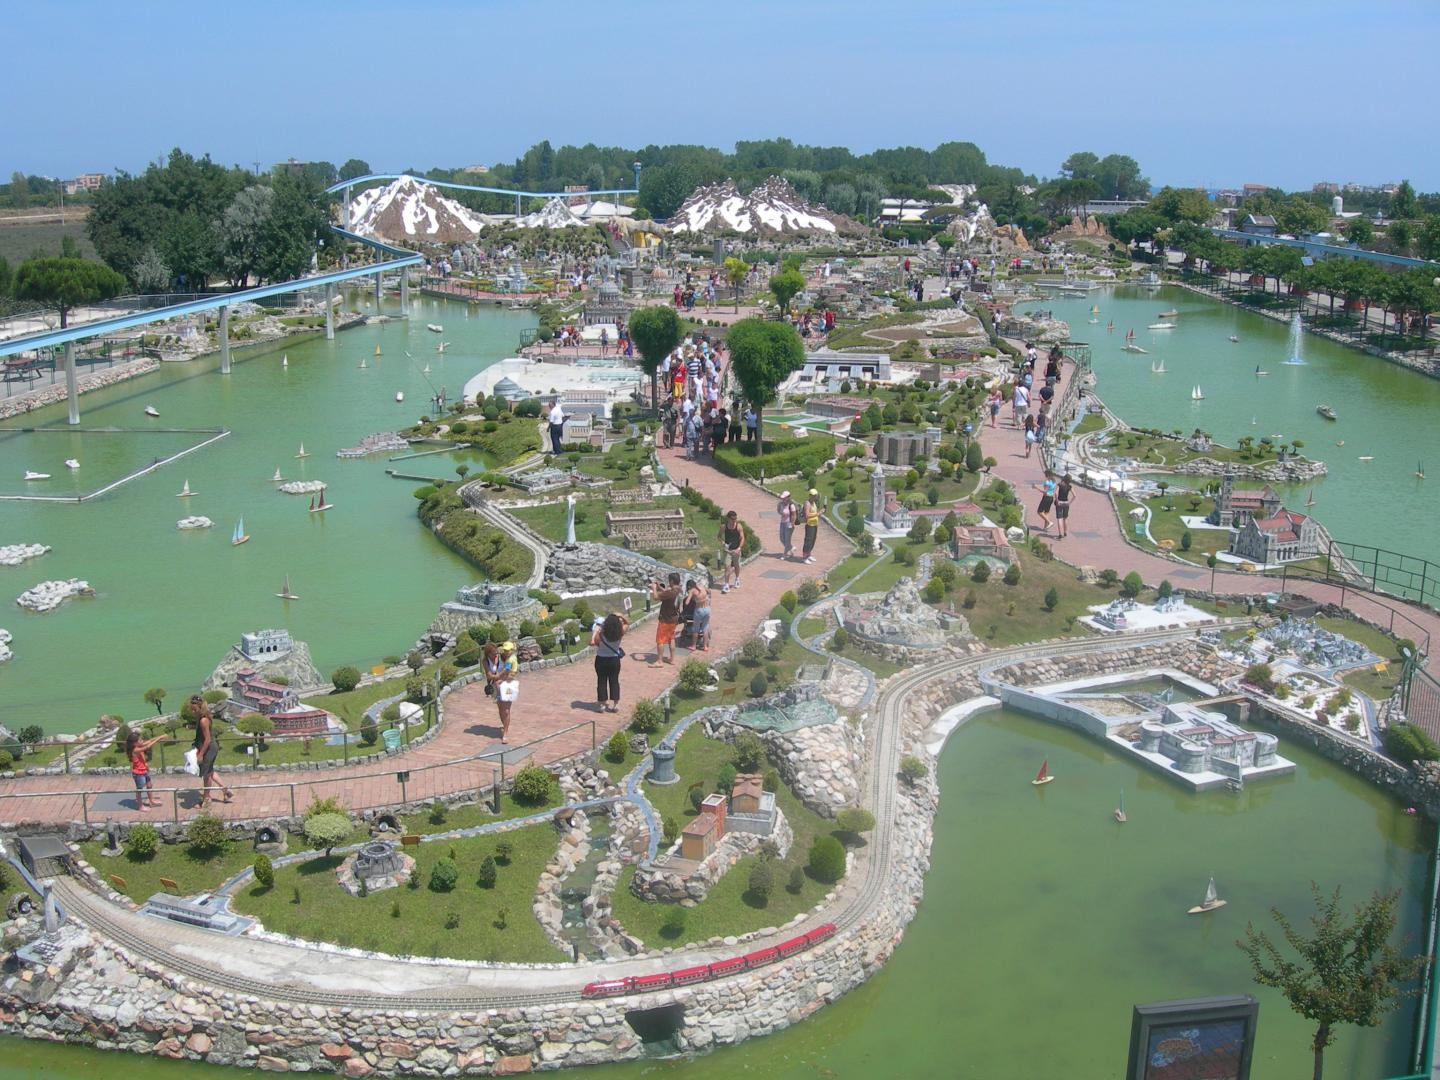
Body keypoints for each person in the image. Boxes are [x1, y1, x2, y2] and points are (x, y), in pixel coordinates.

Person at [190, 694, 232, 808]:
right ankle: (225, 789)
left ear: (199, 708)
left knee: (206, 774)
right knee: (209, 770)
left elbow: (207, 739)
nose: (193, 712)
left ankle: (206, 798)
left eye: (194, 709)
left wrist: (201, 754)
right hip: (208, 746)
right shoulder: (203, 718)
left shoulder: (203, 720)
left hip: (208, 748)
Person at [591, 612, 628, 713]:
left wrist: (597, 631)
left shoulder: (601, 632)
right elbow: (627, 623)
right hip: (614, 660)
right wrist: (620, 615)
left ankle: (602, 705)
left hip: (601, 659)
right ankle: (615, 704)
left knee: (601, 681)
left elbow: (596, 643)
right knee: (614, 681)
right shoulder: (620, 632)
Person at [128, 727, 171, 810]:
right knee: (140, 790)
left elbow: (150, 741)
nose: (142, 741)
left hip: (144, 771)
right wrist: (159, 738)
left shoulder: (139, 745)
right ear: (134, 743)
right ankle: (140, 806)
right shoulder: (135, 750)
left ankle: (151, 800)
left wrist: (160, 737)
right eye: (140, 740)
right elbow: (147, 747)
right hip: (138, 773)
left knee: (149, 785)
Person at [650, 573, 682, 665]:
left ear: (672, 581)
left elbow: (656, 597)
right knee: (671, 639)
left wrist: (654, 588)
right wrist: (660, 588)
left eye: (669, 580)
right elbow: (667, 594)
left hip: (665, 620)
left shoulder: (670, 592)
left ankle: (659, 661)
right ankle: (672, 659)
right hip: (674, 619)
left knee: (660, 640)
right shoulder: (679, 590)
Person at [494, 641, 519, 741]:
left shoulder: (511, 659)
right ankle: (504, 727)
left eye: (508, 650)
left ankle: (505, 733)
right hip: (503, 684)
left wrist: (499, 678)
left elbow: (508, 672)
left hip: (508, 686)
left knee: (506, 710)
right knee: (501, 708)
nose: (506, 652)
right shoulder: (508, 658)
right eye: (505, 650)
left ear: (512, 650)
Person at [720, 510, 745, 592]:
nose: (734, 520)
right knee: (727, 567)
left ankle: (737, 579)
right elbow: (719, 536)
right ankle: (726, 584)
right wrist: (723, 543)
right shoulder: (724, 527)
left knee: (737, 566)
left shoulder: (738, 526)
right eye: (733, 519)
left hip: (736, 550)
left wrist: (739, 548)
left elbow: (742, 538)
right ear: (728, 519)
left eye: (735, 519)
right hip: (728, 551)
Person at [687, 578, 712, 651]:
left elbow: (687, 602)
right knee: (705, 628)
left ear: (689, 586)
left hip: (699, 610)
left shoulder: (692, 591)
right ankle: (705, 646)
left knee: (696, 628)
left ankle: (694, 646)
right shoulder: (701, 586)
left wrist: (691, 597)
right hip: (707, 609)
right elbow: (709, 591)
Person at [801, 489, 821, 563]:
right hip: (810, 525)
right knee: (808, 541)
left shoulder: (814, 503)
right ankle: (804, 557)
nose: (815, 497)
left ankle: (809, 555)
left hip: (815, 524)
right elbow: (807, 515)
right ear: (810, 496)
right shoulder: (808, 503)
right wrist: (817, 514)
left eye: (815, 495)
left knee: (813, 540)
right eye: (813, 496)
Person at [776, 490, 796, 558]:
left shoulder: (791, 505)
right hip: (782, 523)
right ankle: (791, 548)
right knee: (782, 538)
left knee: (787, 539)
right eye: (782, 498)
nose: (783, 499)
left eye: (784, 498)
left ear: (788, 498)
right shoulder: (781, 504)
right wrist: (781, 512)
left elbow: (794, 515)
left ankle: (785, 554)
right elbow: (778, 511)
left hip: (789, 523)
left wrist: (792, 524)